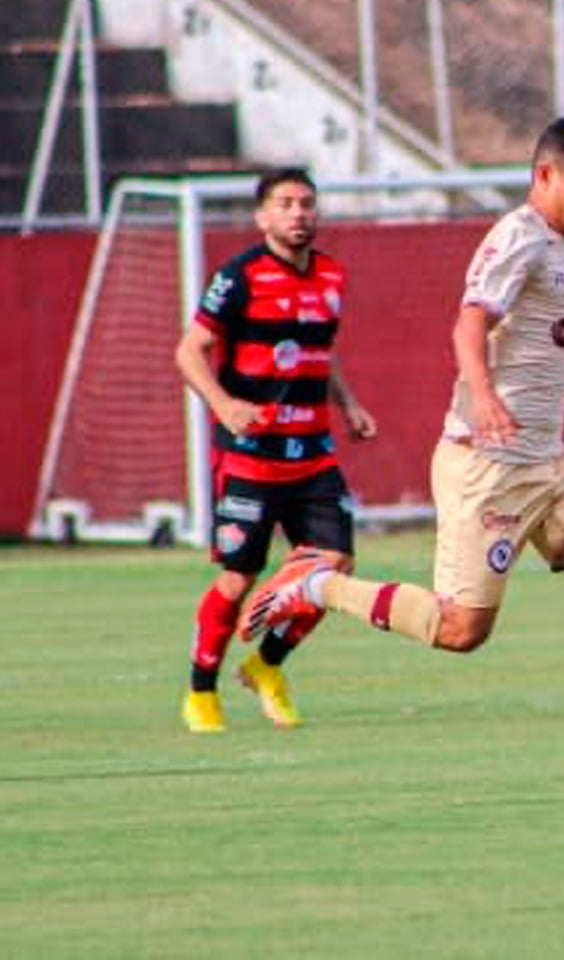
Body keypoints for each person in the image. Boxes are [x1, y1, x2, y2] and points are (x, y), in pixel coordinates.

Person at [238, 118, 564, 778]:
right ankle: (319, 585)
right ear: (545, 176)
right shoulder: (517, 239)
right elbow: (469, 322)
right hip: (486, 465)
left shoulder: (559, 241)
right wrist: (486, 395)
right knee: (460, 631)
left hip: (548, 463)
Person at [175, 167, 377, 733]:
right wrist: (223, 405)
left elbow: (320, 351)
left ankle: (266, 665)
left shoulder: (331, 275)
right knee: (239, 580)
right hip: (250, 457)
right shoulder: (239, 277)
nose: (298, 213)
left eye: (307, 203)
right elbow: (189, 351)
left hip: (312, 453)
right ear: (263, 216)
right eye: (285, 203)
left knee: (335, 567)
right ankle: (201, 693)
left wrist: (349, 404)